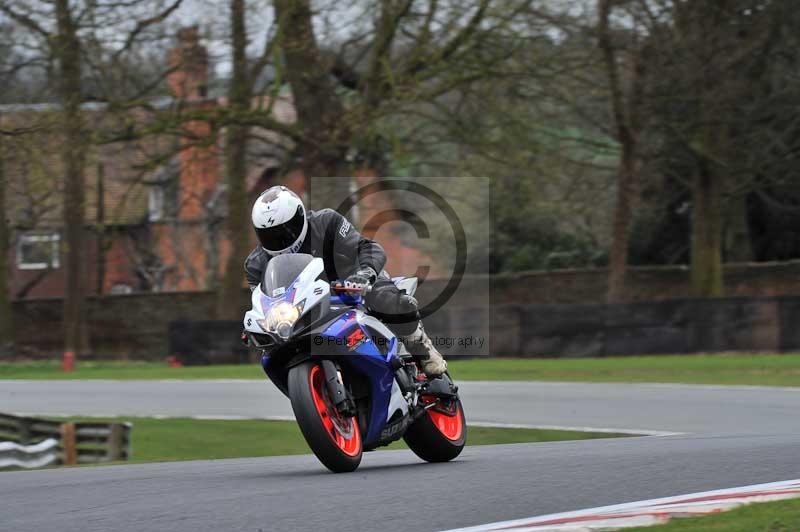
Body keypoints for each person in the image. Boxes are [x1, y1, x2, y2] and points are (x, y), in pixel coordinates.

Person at [244, 185, 447, 376]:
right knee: (272, 355)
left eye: (285, 231)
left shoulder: (327, 223)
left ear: (300, 217)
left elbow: (366, 247)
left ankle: (423, 349)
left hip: (351, 288)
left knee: (390, 301)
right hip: (303, 312)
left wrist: (364, 274)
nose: (280, 240)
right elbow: (262, 301)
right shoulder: (255, 265)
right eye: (269, 235)